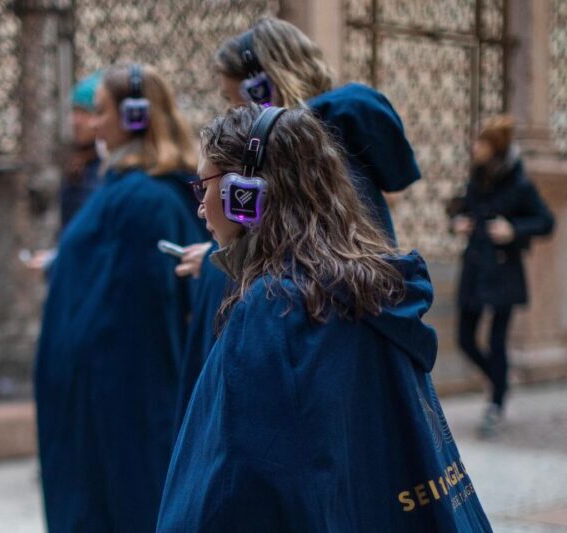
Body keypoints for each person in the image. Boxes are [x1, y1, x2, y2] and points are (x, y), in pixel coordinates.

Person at [157, 104, 492, 532]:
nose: (200, 206)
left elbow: (236, 480)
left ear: (246, 194)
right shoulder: (379, 282)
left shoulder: (272, 308)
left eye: (203, 184)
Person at [172, 16, 421, 429]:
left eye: (235, 100)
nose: (233, 113)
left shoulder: (316, 162)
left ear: (261, 89)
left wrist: (229, 267)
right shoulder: (319, 154)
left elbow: (306, 275)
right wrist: (226, 255)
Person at [33, 63, 207, 533]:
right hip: (106, 391)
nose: (96, 121)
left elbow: (143, 313)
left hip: (122, 399)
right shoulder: (129, 187)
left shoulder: (145, 199)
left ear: (135, 117)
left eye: (103, 110)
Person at [450, 115, 554, 437]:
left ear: (494, 148)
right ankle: (500, 382)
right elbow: (458, 208)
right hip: (475, 268)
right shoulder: (476, 178)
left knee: (497, 341)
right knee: (465, 339)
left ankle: (495, 404)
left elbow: (546, 222)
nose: (474, 147)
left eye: (480, 142)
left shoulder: (519, 183)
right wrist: (457, 222)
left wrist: (513, 230)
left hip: (503, 271)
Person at [25, 71, 104, 272]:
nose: (76, 120)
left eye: (86, 112)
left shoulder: (108, 170)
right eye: (74, 111)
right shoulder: (80, 163)